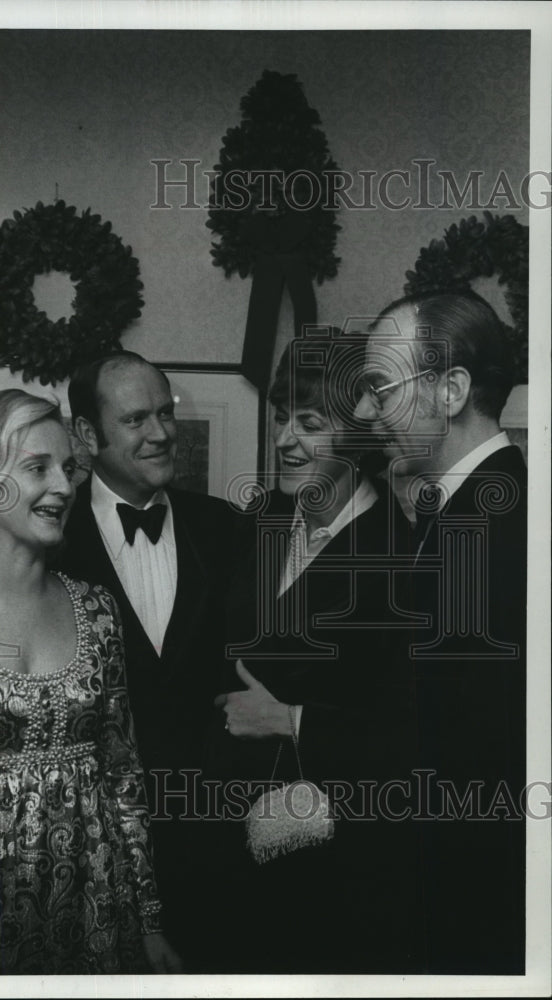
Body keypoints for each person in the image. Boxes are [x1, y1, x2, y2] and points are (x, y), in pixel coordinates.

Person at [0, 389, 180, 975]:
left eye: (68, 468)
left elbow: (123, 774)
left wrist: (149, 920)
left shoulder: (97, 610)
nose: (66, 486)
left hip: (93, 905)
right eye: (37, 468)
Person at [213, 334, 418, 974]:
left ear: (357, 433)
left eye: (308, 423)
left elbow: (415, 730)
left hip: (342, 862)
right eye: (280, 419)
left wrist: (290, 719)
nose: (284, 441)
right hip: (223, 845)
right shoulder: (256, 523)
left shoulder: (405, 554)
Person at [353, 290, 526, 974]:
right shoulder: (472, 509)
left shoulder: (485, 530)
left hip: (472, 900)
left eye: (379, 388)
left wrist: (299, 724)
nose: (366, 412)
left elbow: (445, 744)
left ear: (451, 388)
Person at [59, 352, 239, 970]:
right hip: (94, 863)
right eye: (136, 418)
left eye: (166, 413)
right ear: (87, 434)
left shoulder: (224, 528)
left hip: (221, 852)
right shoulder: (47, 542)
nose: (161, 433)